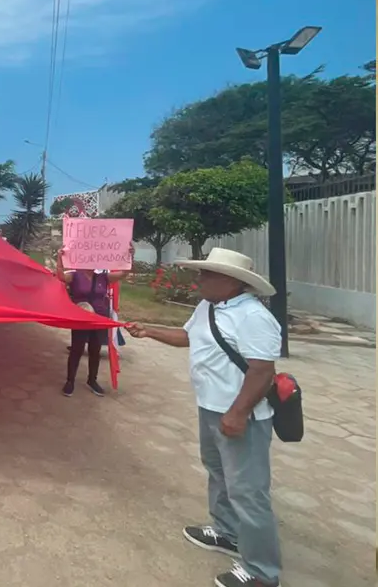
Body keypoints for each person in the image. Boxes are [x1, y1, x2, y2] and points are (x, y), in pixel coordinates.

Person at [125, 248, 282, 587]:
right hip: (211, 407)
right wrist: (149, 331)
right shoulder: (208, 307)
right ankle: (228, 532)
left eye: (205, 274)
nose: (198, 280)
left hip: (240, 415)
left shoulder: (252, 317)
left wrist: (238, 413)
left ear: (231, 281)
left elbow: (262, 370)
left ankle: (261, 573)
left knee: (248, 491)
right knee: (219, 472)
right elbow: (188, 336)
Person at [55, 247, 126, 397]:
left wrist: (129, 255)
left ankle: (92, 380)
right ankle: (70, 381)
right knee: (77, 349)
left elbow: (124, 273)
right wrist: (59, 258)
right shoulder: (75, 276)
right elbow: (60, 276)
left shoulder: (104, 277)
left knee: (95, 350)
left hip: (99, 319)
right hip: (80, 318)